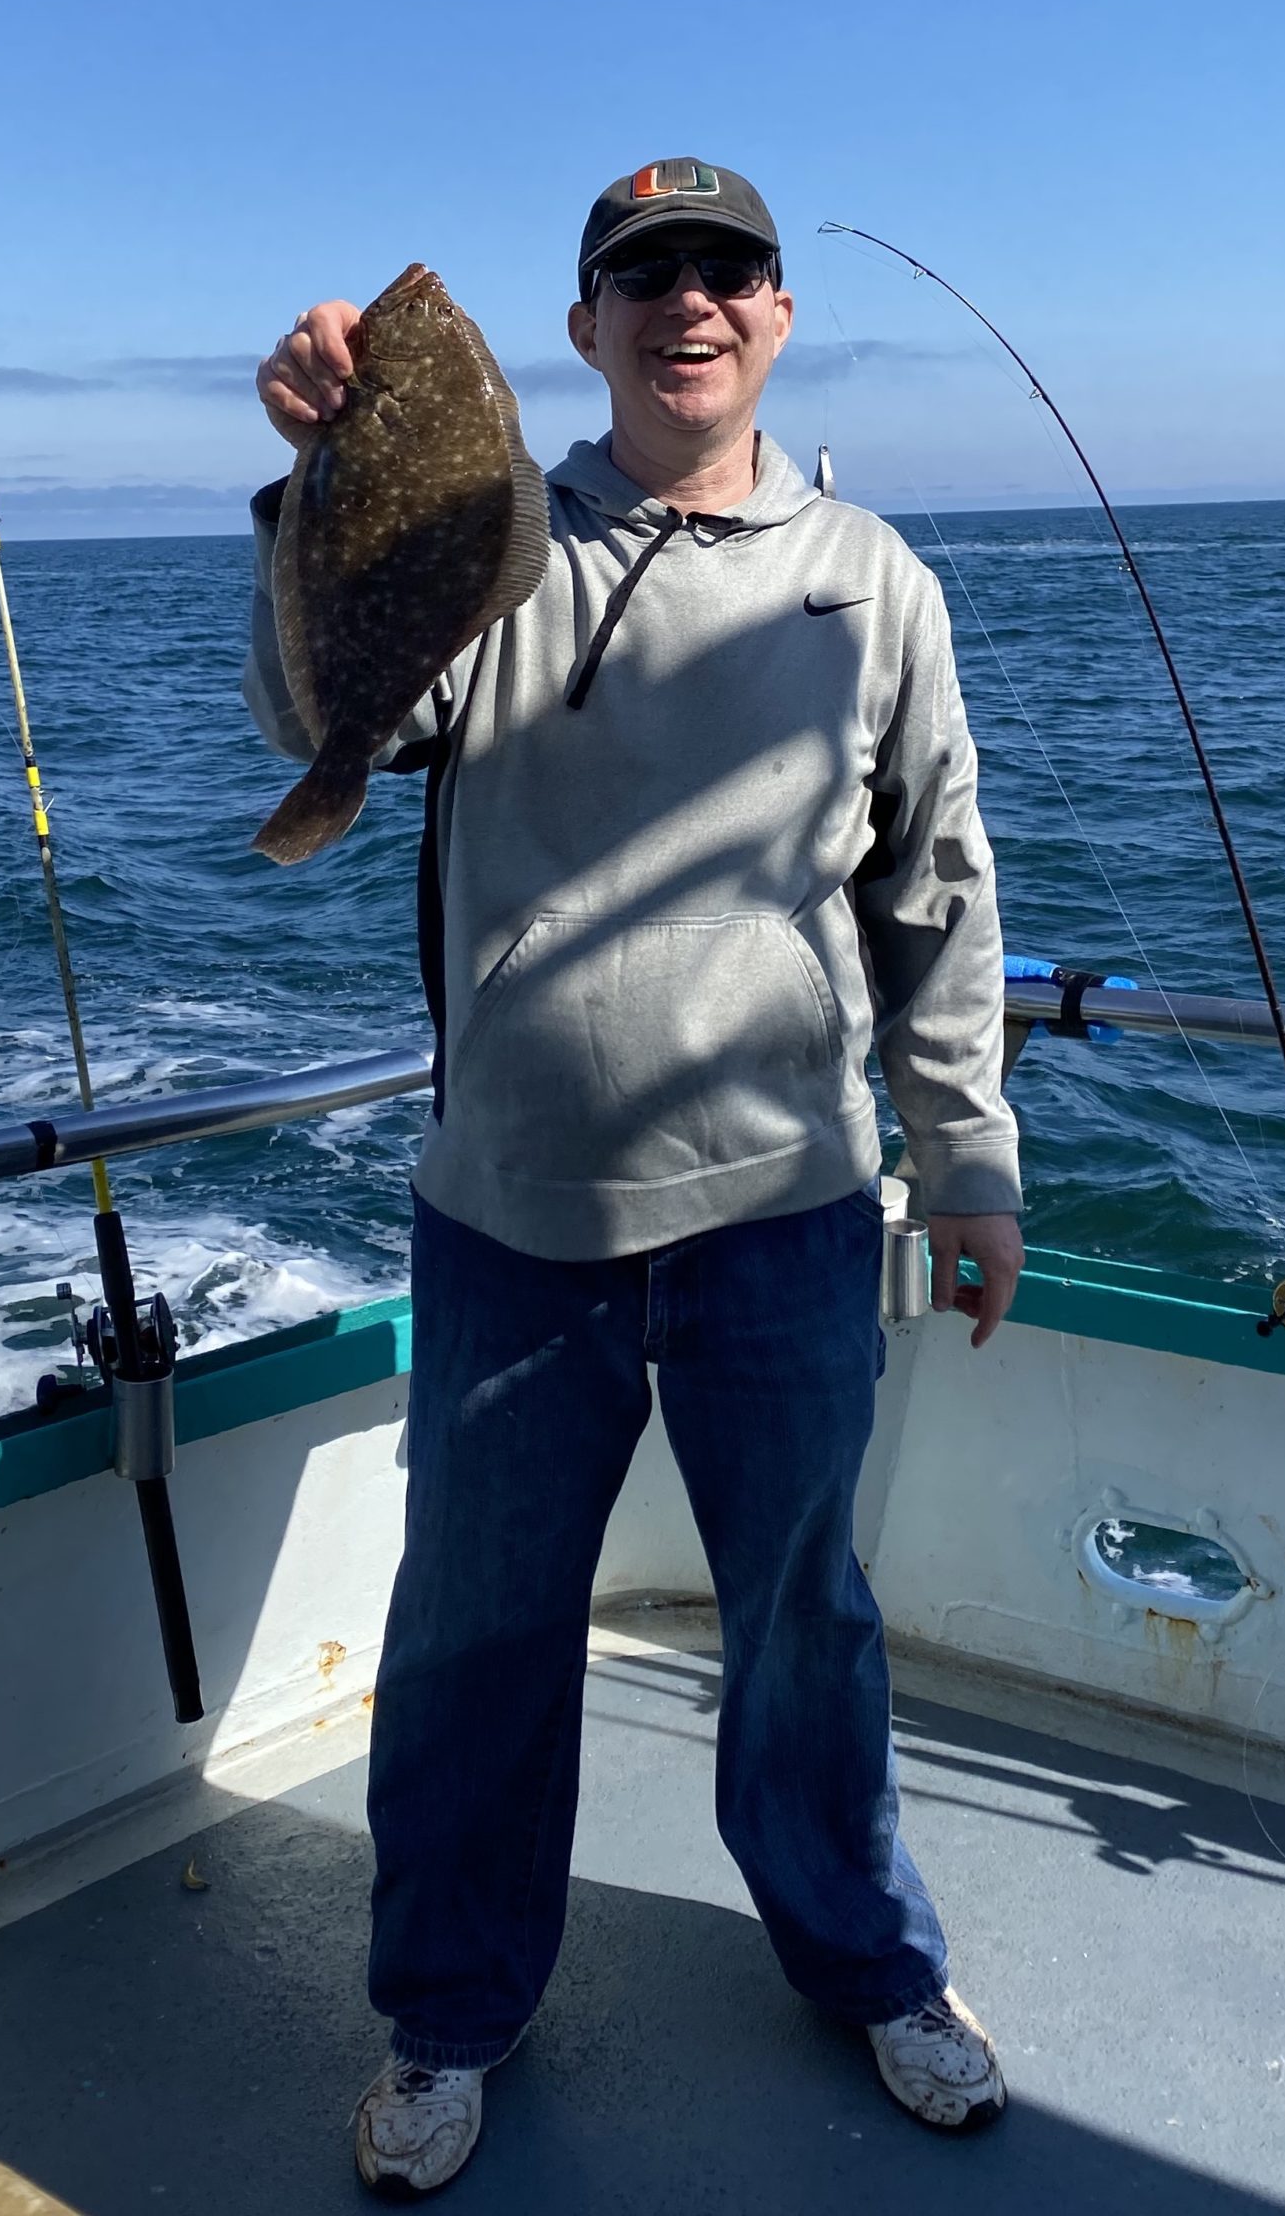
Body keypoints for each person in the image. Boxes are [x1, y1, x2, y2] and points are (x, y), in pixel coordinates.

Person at [247, 158, 1026, 2198]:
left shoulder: (878, 582)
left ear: (775, 317)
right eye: (640, 273)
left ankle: (871, 1959)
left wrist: (970, 1161)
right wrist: (321, 486)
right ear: (583, 328)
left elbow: (936, 896)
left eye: (726, 269)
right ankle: (445, 2013)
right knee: (476, 1637)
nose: (688, 298)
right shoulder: (495, 544)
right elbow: (325, 718)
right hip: (516, 1214)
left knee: (806, 1633)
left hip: (787, 1207)